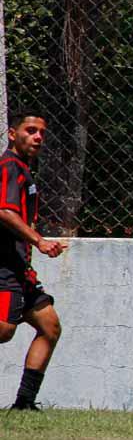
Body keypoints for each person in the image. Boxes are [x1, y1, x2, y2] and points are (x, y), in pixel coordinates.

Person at [2, 113, 68, 411]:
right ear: (12, 134)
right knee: (4, 330)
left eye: (42, 132)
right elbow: (4, 211)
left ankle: (24, 404)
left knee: (49, 326)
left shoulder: (23, 170)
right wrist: (39, 240)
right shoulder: (9, 168)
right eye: (31, 130)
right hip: (4, 267)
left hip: (20, 269)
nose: (38, 137)